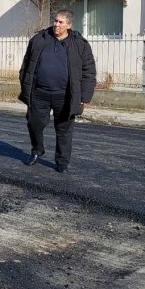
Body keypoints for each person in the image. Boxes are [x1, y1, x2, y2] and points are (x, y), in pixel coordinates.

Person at [17, 9, 96, 173]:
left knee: (64, 130)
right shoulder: (39, 40)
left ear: (69, 25)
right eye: (55, 20)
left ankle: (62, 161)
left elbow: (89, 71)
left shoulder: (80, 44)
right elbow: (26, 65)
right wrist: (25, 85)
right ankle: (37, 150)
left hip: (65, 96)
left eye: (60, 22)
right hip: (39, 94)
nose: (56, 24)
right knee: (34, 124)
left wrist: (85, 95)